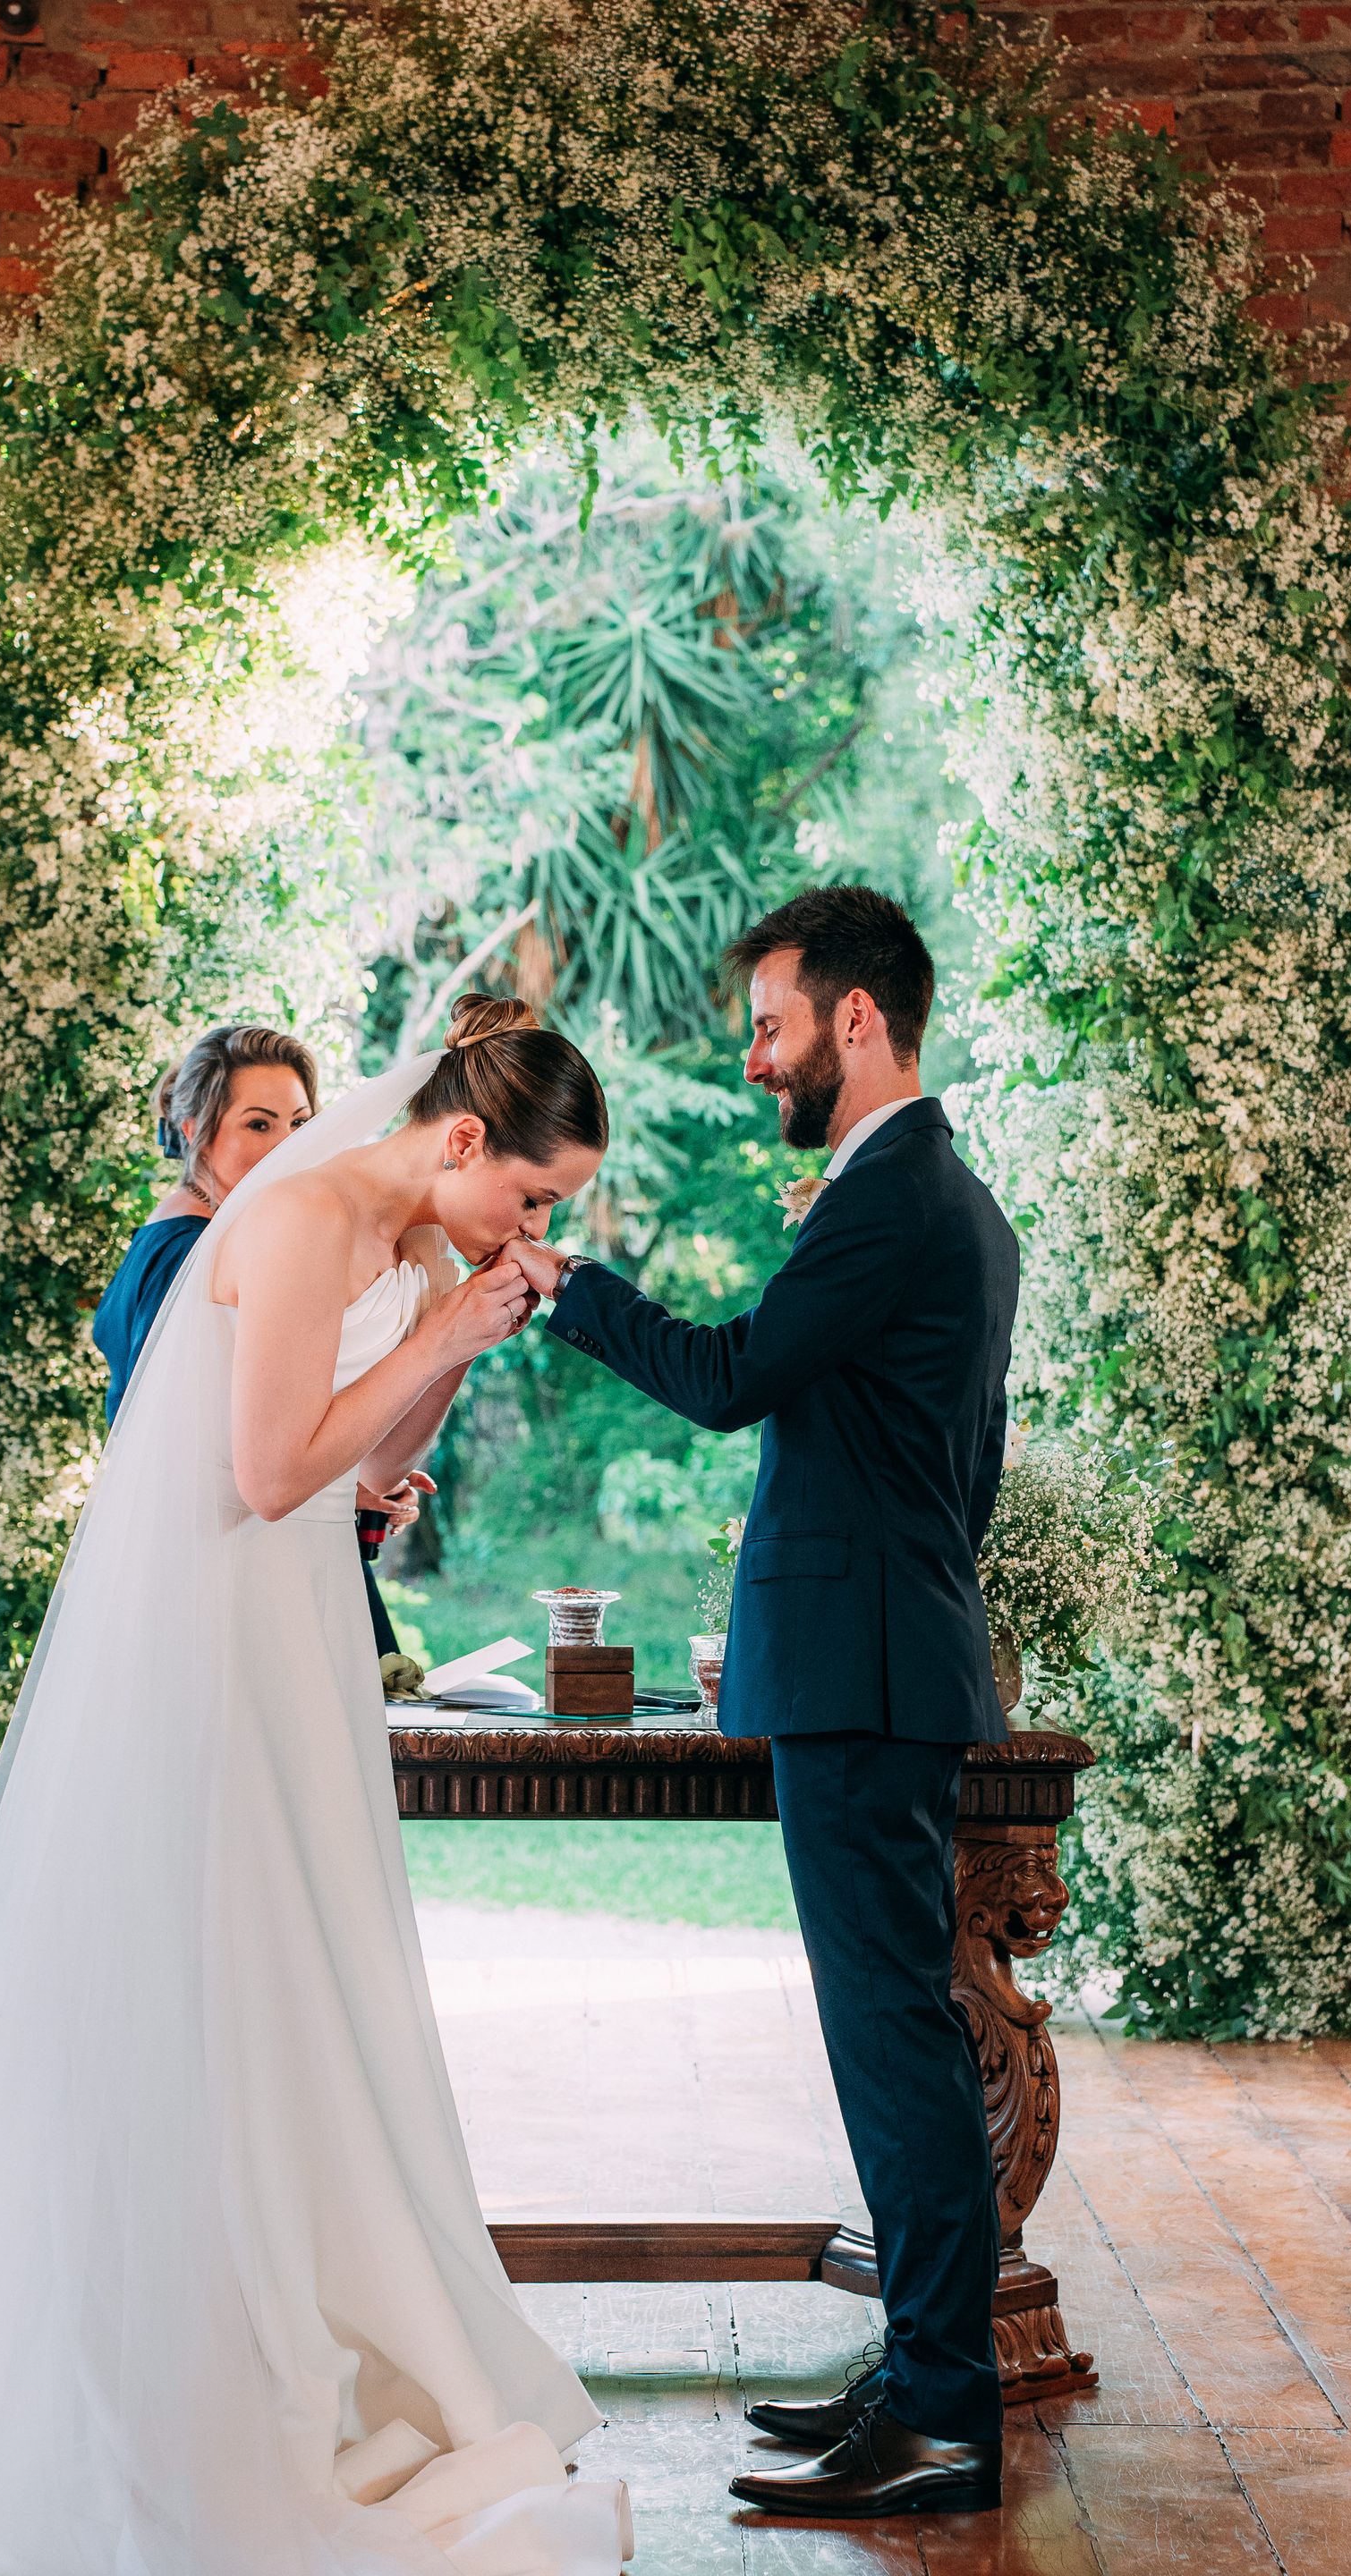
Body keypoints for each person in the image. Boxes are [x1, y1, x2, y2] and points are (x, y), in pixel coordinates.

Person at [0, 996, 629, 2576]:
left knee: (307, 1973)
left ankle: (309, 2291)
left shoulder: (417, 1239)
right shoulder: (304, 1215)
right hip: (214, 1618)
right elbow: (262, 1476)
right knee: (216, 1963)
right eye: (530, 1198)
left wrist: (460, 1341)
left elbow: (364, 1472)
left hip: (303, 1621)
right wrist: (441, 1333)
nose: (530, 1229)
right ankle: (183, 2345)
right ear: (464, 1138)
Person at [506, 887, 1016, 2521]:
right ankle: (919, 2375)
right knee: (894, 2037)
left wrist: (569, 1288)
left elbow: (732, 1380)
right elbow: (959, 1474)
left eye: (772, 1023)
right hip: (886, 1660)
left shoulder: (898, 1197)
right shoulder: (944, 1200)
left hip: (865, 1678)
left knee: (895, 2045)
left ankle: (945, 2413)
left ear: (858, 1019)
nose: (755, 1057)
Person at [94, 1021, 428, 1657]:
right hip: (222, 1567)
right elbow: (181, 1442)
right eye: (259, 1124)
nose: (287, 1145)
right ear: (194, 1130)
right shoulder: (187, 1255)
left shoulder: (217, 1234)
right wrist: (343, 1491)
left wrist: (358, 1483)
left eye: (300, 1122)